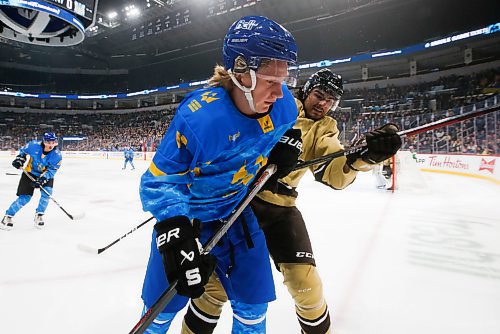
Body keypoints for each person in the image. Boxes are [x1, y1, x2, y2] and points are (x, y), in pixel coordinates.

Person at [182, 69, 402, 333]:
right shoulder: (279, 102)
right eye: (320, 95)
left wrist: (364, 158)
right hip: (241, 201)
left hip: (280, 209)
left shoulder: (325, 128)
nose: (323, 103)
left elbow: (334, 172)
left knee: (306, 285)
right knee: (213, 287)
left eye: (330, 100)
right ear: (307, 91)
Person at [138, 15, 302, 333]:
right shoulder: (201, 120)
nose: (280, 93)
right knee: (161, 308)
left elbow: (285, 130)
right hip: (190, 218)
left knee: (253, 306)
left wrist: (287, 145)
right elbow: (158, 182)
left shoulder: (285, 108)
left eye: (283, 81)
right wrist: (175, 233)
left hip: (236, 213)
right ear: (241, 72)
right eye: (271, 81)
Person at [1, 132, 62, 230]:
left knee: (47, 194)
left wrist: (42, 179)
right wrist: (20, 159)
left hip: (45, 175)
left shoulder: (57, 155)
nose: (51, 145)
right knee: (25, 198)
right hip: (29, 173)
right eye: (49, 142)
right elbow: (23, 151)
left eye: (53, 142)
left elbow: (52, 170)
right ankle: (7, 216)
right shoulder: (33, 145)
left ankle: (39, 214)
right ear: (44, 141)